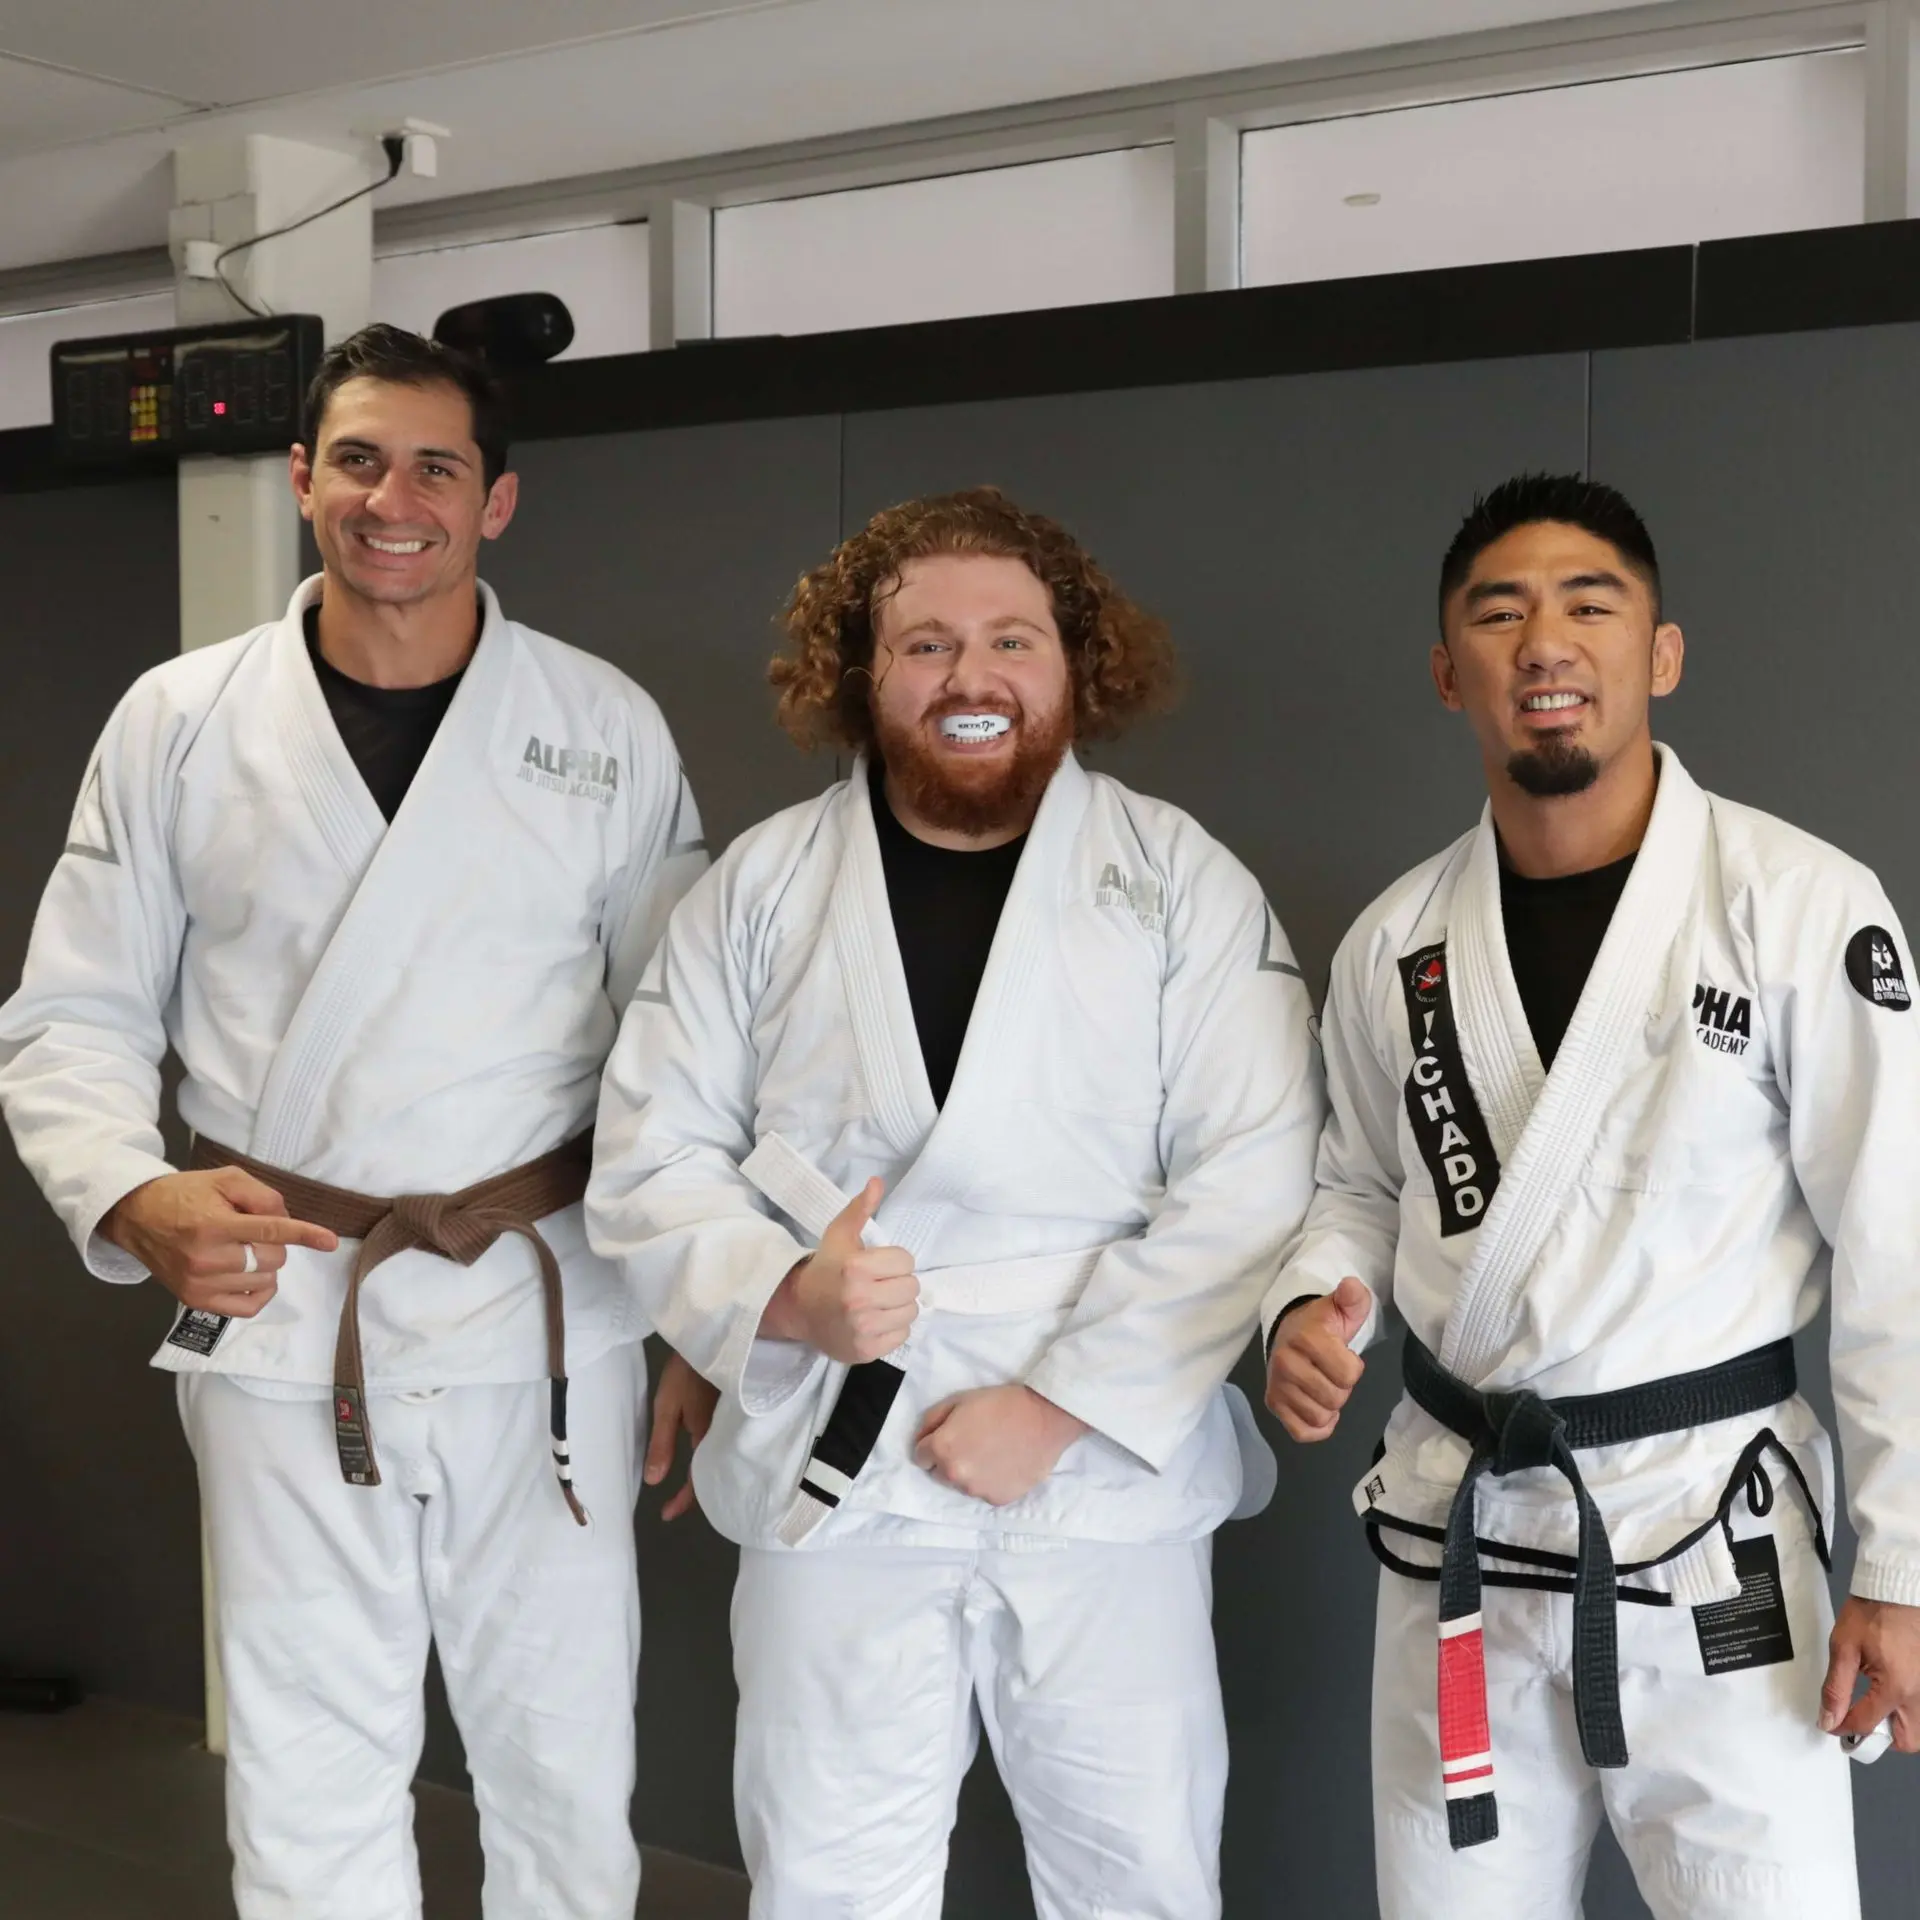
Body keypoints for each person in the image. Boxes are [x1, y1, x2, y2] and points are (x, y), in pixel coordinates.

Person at [0, 323, 717, 1920]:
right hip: (284, 1296)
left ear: (498, 503)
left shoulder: (602, 726)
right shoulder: (179, 721)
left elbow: (683, 1054)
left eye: (436, 468)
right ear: (301, 480)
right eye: (361, 461)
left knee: (561, 1755)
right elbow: (74, 1013)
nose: (395, 499)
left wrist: (696, 1318)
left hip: (549, 1307)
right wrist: (132, 1197)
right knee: (309, 1752)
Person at [587, 487, 1323, 1918]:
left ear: (1076, 665)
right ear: (860, 676)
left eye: (1011, 641)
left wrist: (1056, 1408)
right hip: (843, 1452)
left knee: (1141, 1880)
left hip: (1106, 1470)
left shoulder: (1181, 885)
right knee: (826, 1879)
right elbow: (650, 1150)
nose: (970, 678)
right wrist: (786, 1295)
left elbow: (1252, 1174)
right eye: (923, 646)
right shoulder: (762, 889)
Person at [1263, 472, 1920, 1920]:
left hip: (1715, 1536)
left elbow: (1900, 1253)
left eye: (1589, 606)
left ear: (1661, 656)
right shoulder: (1397, 944)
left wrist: (1907, 1562)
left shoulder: (1799, 905)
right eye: (1498, 615)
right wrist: (1311, 1301)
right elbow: (1361, 1188)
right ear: (1451, 675)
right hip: (1461, 1539)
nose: (1543, 643)